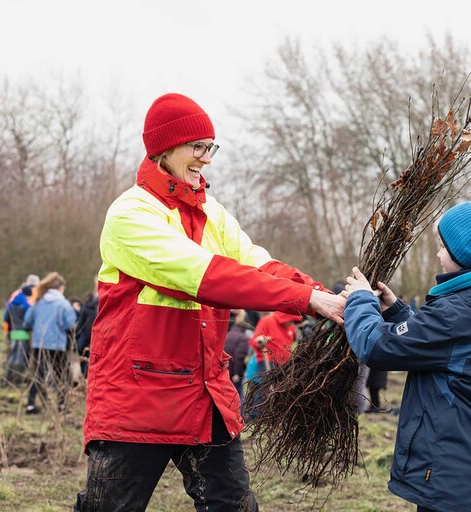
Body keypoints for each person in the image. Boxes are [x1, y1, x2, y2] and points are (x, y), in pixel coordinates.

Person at [75, 92, 345, 512]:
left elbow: (258, 264)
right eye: (196, 148)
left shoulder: (212, 213)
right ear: (164, 149)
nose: (206, 158)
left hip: (206, 395)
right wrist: (306, 298)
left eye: (210, 147)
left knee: (234, 506)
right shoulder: (131, 214)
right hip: (138, 397)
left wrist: (325, 298)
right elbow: (207, 277)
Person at [342, 201, 471, 512]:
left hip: (451, 463)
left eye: (443, 246)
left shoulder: (456, 312)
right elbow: (447, 350)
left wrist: (360, 301)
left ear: (465, 255)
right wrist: (398, 313)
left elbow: (376, 347)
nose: (437, 254)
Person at [23, 272, 77, 414]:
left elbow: (27, 320)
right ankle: (61, 406)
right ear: (60, 287)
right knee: (64, 376)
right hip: (57, 345)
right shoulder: (63, 304)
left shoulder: (39, 301)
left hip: (38, 344)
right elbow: (69, 324)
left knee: (38, 375)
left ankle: (30, 404)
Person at [224, 309, 251, 399]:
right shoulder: (243, 338)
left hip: (226, 371)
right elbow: (239, 356)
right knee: (238, 397)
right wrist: (237, 373)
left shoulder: (228, 335)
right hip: (234, 373)